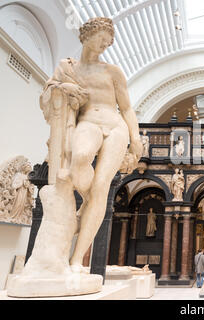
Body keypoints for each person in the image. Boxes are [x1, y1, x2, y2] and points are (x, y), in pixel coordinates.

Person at [40, 17, 143, 272]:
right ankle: (88, 204)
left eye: (109, 42)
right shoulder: (67, 68)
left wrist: (136, 139)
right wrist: (63, 86)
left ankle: (76, 259)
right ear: (87, 34)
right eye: (102, 38)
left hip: (115, 125)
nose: (105, 45)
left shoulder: (112, 71)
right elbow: (50, 91)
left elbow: (127, 108)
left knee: (102, 187)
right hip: (88, 121)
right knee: (80, 157)